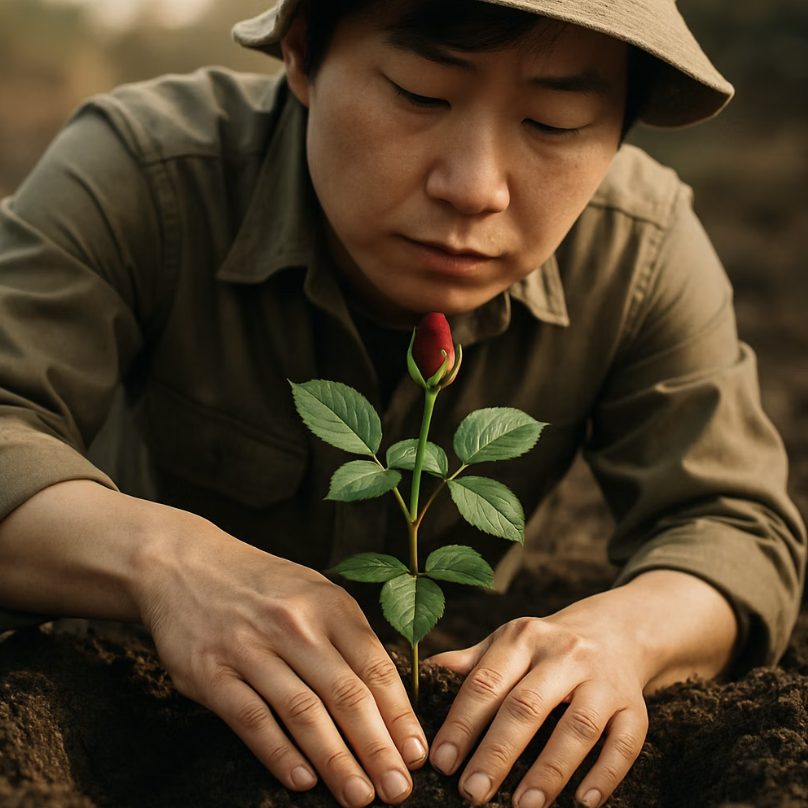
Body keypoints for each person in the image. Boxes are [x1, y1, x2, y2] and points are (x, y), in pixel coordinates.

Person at [0, 0, 803, 806]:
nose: (473, 188)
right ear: (303, 54)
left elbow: (733, 525)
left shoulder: (640, 251)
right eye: (422, 94)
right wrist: (166, 564)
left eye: (555, 121)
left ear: (620, 128)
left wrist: (626, 637)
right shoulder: (148, 171)